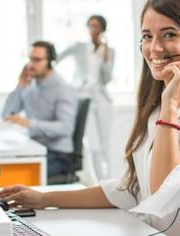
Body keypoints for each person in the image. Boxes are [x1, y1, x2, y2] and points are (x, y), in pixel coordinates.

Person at [0, 0, 180, 235]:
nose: (155, 48)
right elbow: (132, 190)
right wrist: (43, 199)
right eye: (147, 36)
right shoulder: (157, 110)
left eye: (169, 34)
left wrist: (170, 105)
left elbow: (164, 195)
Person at [2, 41, 78, 179]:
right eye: (30, 59)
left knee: (16, 177)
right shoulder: (30, 86)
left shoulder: (63, 88)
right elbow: (7, 115)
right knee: (3, 168)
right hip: (34, 149)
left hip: (58, 155)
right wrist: (20, 85)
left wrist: (29, 123)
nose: (31, 64)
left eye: (37, 60)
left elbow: (66, 128)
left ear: (50, 62)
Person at [57, 15, 115, 179]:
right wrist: (67, 86)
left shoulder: (109, 51)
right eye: (90, 26)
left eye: (96, 26)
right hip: (83, 97)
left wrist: (105, 59)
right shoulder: (79, 47)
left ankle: (109, 181)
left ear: (102, 29)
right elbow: (56, 58)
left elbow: (107, 79)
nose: (92, 30)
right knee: (93, 145)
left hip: (102, 98)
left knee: (105, 144)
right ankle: (99, 183)